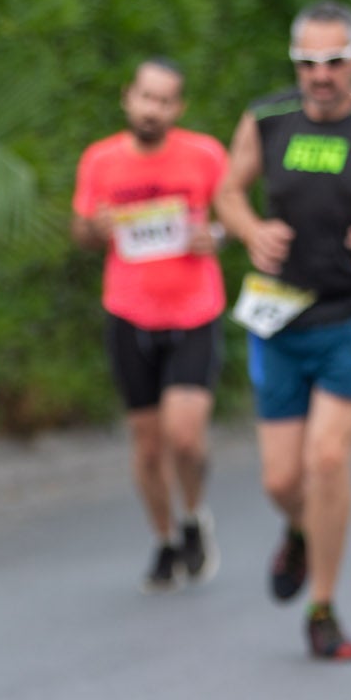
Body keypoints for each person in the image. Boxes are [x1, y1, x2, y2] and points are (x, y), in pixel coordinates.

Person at [212, 1, 351, 660]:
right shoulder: (266, 118)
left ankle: (323, 607)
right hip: (280, 313)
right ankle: (302, 529)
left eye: (334, 61)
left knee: (328, 460)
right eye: (308, 62)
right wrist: (251, 228)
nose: (321, 74)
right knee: (281, 482)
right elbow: (228, 191)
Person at [71, 59, 229, 592]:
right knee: (147, 444)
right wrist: (96, 229)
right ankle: (165, 540)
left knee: (184, 437)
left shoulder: (206, 155)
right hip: (129, 312)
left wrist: (218, 235)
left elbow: (234, 215)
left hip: (194, 310)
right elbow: (81, 230)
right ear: (128, 97)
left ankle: (195, 515)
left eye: (164, 101)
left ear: (177, 108)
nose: (152, 109)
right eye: (145, 97)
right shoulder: (101, 160)